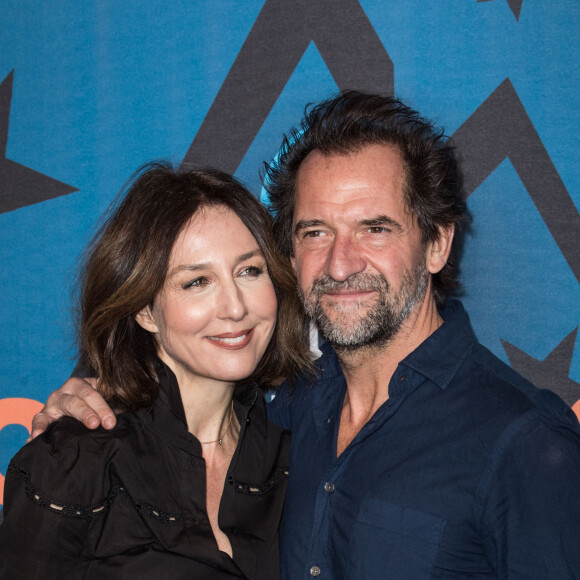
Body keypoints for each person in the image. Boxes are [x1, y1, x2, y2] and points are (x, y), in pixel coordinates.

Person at [28, 92, 580, 578]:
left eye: (374, 229)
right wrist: (91, 399)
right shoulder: (281, 413)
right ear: (290, 252)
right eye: (316, 231)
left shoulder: (523, 440)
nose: (340, 264)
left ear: (436, 244)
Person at [0, 163, 312, 579]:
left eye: (249, 271)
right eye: (197, 281)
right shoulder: (77, 460)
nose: (236, 307)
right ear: (145, 310)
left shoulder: (294, 452)